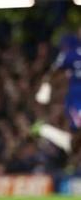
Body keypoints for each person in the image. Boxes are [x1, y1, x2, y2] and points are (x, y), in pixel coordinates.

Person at [34, 29, 81, 162]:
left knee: (75, 138)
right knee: (77, 131)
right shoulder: (71, 54)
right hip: (77, 98)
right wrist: (45, 88)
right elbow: (53, 72)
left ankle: (52, 134)